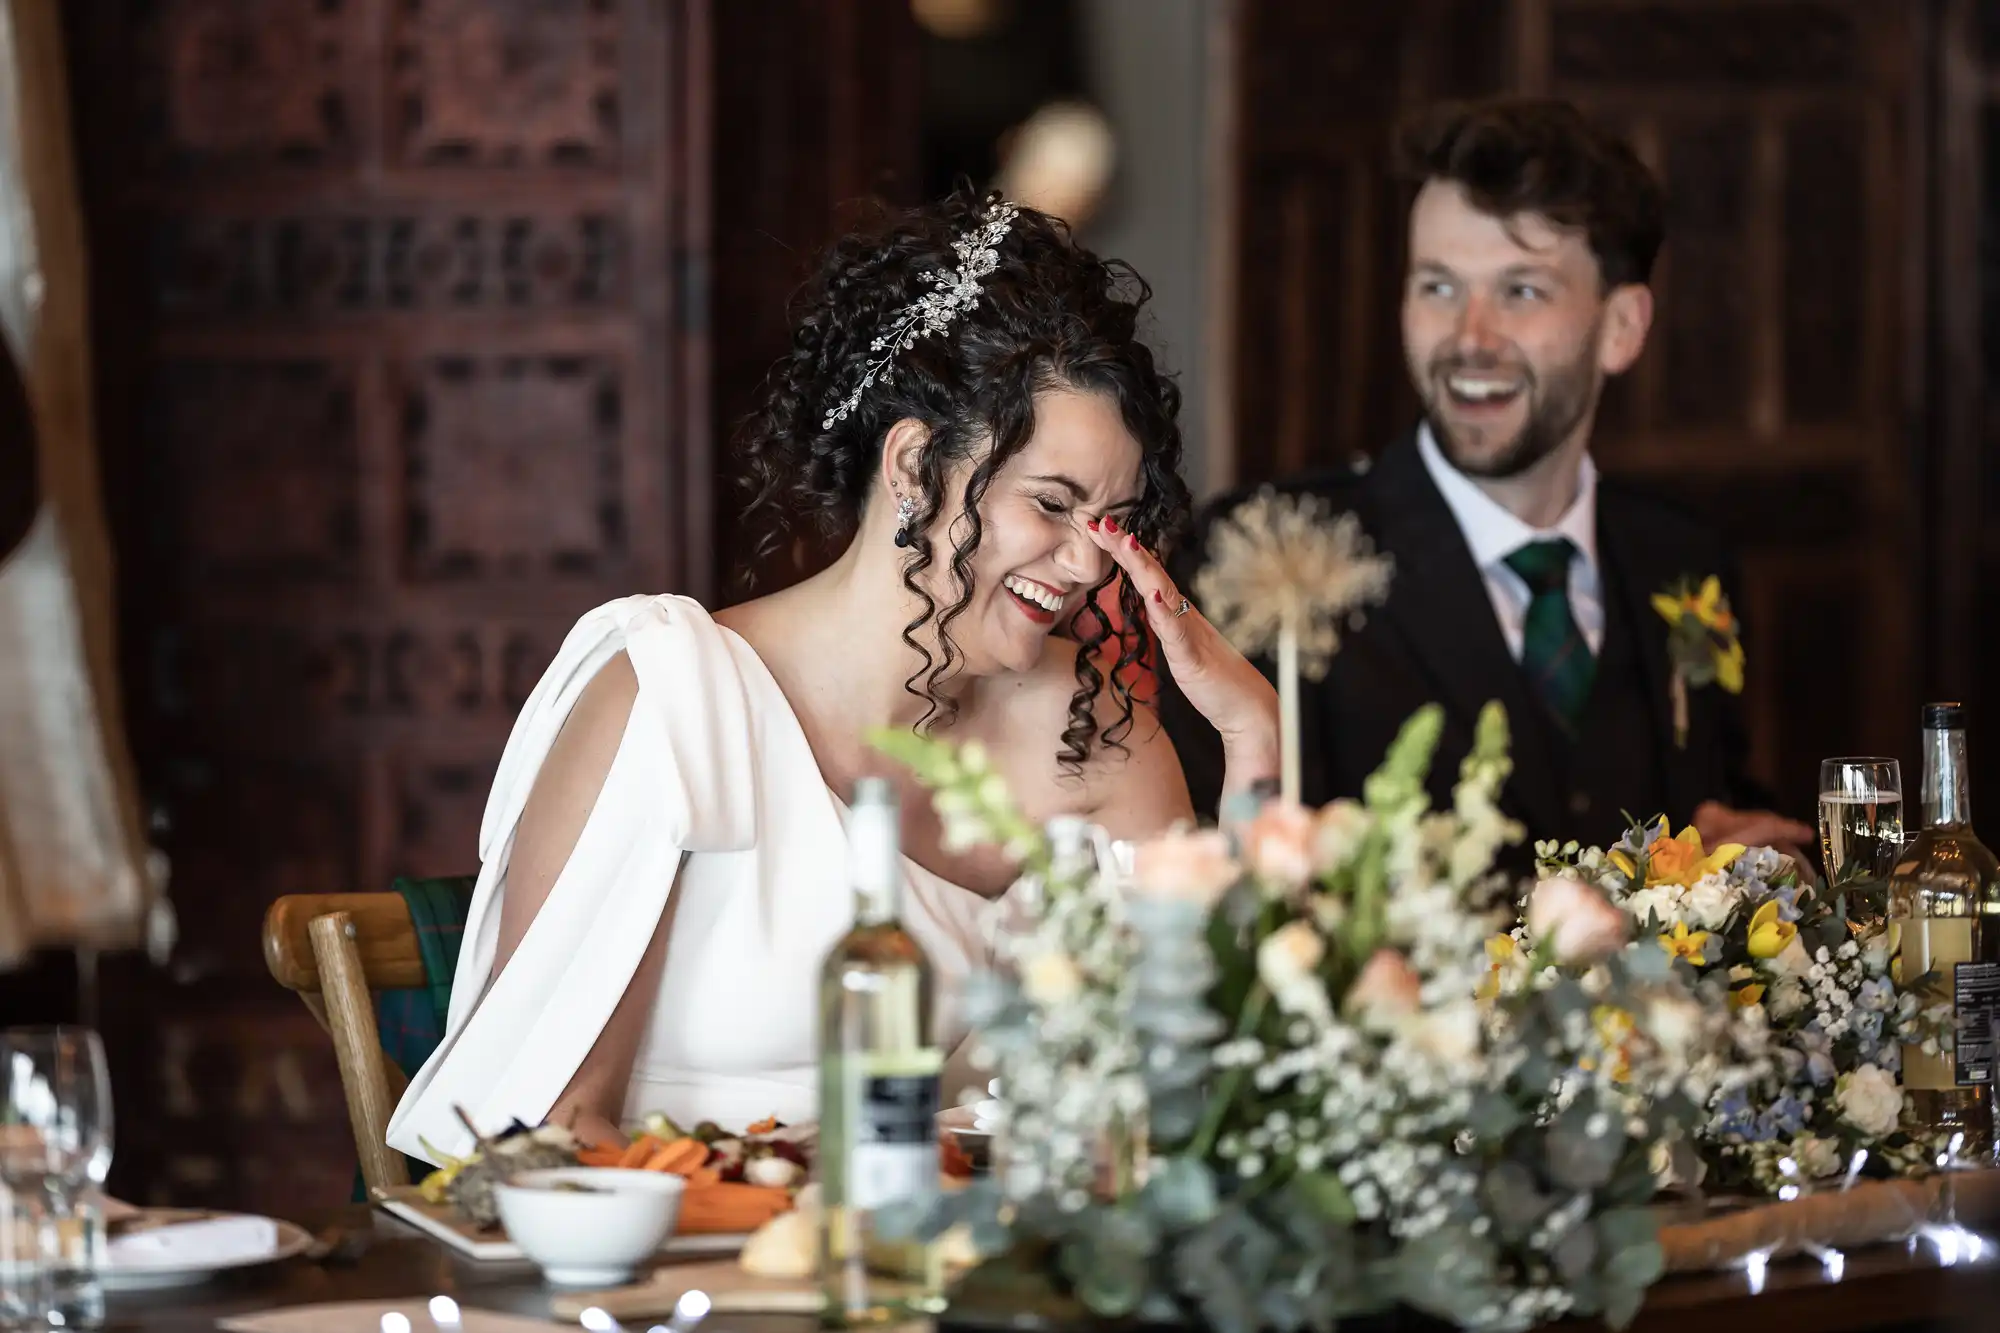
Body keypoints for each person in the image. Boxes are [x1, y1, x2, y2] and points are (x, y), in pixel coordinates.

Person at [387, 191, 1278, 1160]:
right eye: (1051, 505)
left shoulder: (1097, 731)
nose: (1086, 565)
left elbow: (1204, 1104)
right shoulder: (672, 698)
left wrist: (1250, 738)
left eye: (1110, 521)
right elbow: (546, 1135)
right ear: (911, 463)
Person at [1160, 99, 1811, 867]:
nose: (1470, 338)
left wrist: (1753, 865)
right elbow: (1209, 868)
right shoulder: (1264, 551)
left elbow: (1718, 812)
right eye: (1438, 286)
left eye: (1521, 292)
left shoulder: (1682, 559)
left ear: (1622, 328)